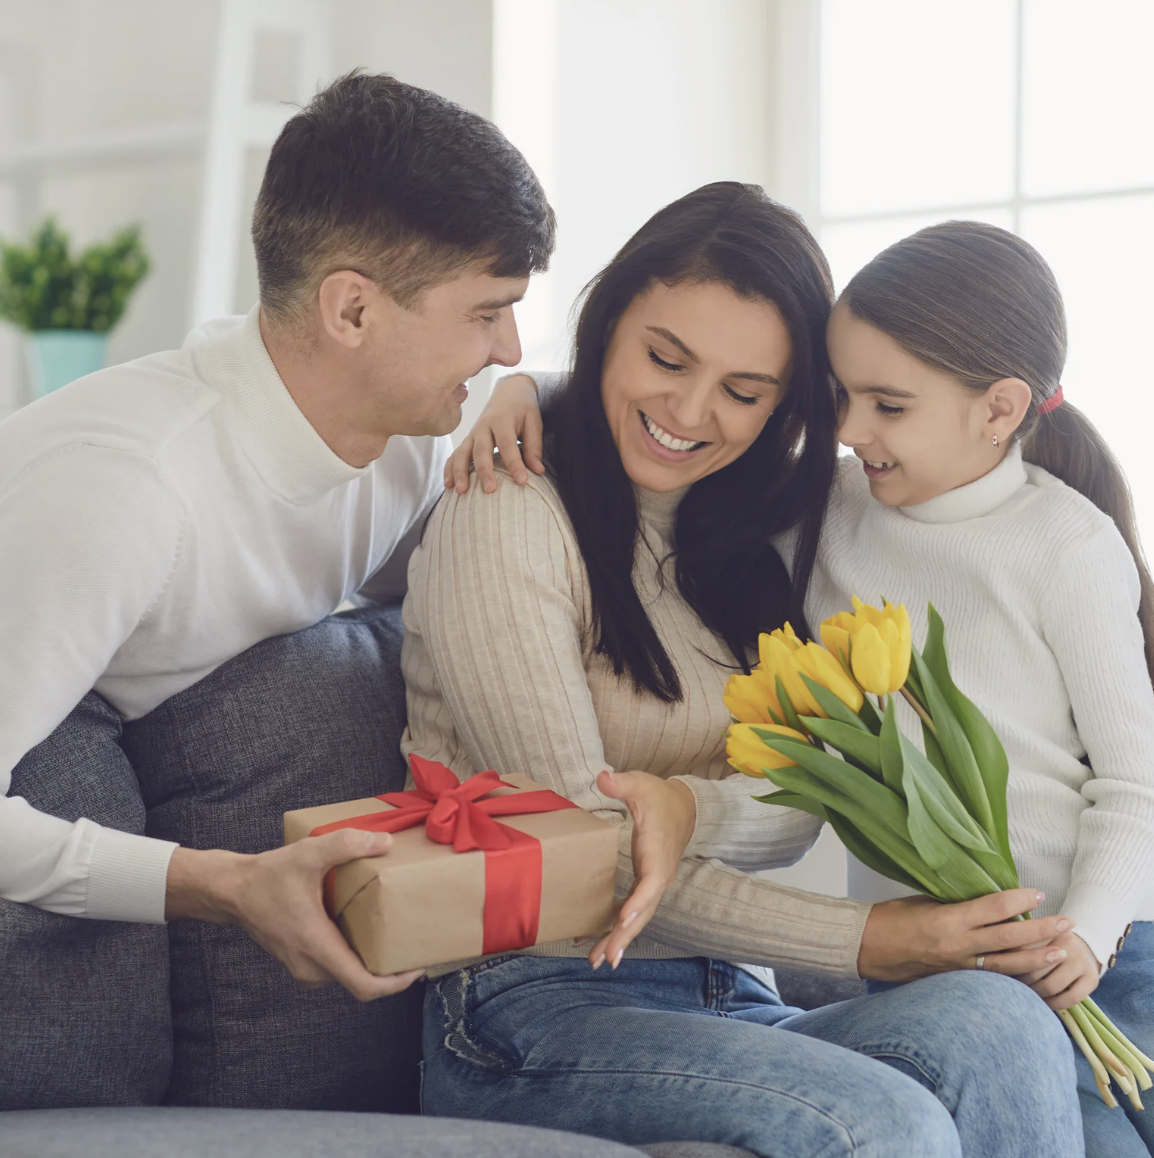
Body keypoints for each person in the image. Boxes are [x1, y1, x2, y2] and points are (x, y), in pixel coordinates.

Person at [405, 183, 1082, 1157]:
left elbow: (791, 801)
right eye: (662, 358)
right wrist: (866, 940)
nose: (687, 410)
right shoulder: (507, 512)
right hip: (529, 1003)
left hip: (727, 993)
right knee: (880, 1123)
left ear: (785, 404)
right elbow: (588, 852)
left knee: (997, 1020)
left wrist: (687, 813)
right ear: (608, 327)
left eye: (742, 391)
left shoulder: (753, 536)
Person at [0, 70, 560, 1002]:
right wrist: (222, 883)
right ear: (351, 311)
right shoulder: (123, 494)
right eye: (484, 312)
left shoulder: (400, 444)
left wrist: (538, 394)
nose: (507, 348)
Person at [807, 221, 1154, 1156]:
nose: (848, 430)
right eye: (840, 394)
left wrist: (1082, 936)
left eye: (887, 404)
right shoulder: (830, 510)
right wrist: (524, 394)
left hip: (1107, 956)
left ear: (999, 409)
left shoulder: (1067, 547)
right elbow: (678, 441)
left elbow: (1137, 783)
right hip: (938, 966)